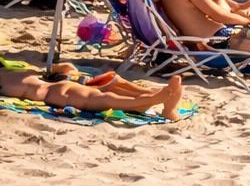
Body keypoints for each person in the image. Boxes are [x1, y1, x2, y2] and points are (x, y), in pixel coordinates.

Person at [1, 64, 183, 121]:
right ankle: (148, 101)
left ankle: (150, 101)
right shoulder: (10, 78)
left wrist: (54, 69)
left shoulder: (14, 72)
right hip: (52, 94)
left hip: (58, 86)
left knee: (107, 90)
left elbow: (64, 68)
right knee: (103, 98)